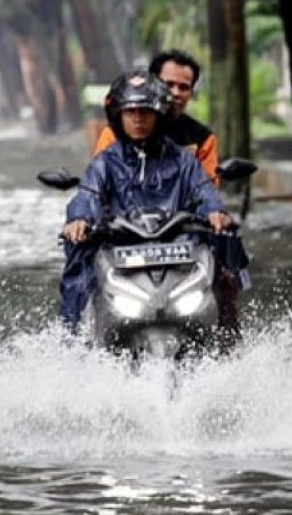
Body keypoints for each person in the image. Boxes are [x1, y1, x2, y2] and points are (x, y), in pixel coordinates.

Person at [59, 69, 233, 331]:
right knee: (79, 262)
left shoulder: (183, 161)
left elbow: (204, 190)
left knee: (226, 259)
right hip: (120, 250)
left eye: (146, 112)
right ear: (119, 116)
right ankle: (71, 336)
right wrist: (80, 218)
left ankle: (228, 339)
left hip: (177, 250)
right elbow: (88, 194)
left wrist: (215, 211)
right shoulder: (105, 162)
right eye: (131, 112)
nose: (138, 119)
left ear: (159, 114)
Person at [89, 49, 219, 183]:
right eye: (169, 84)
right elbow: (99, 178)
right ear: (152, 84)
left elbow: (208, 185)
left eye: (184, 87)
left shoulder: (202, 138)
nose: (175, 93)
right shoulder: (117, 131)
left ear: (191, 93)